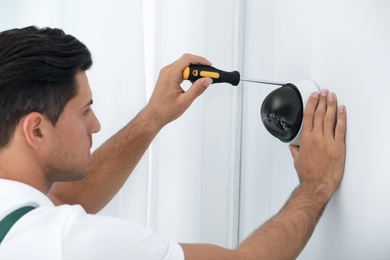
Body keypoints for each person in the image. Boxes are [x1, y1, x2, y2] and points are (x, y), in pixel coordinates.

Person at [0, 26, 346, 259]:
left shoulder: (19, 214)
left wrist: (154, 116)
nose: (96, 124)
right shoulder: (68, 245)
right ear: (36, 131)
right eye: (84, 111)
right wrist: (315, 186)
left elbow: (59, 200)